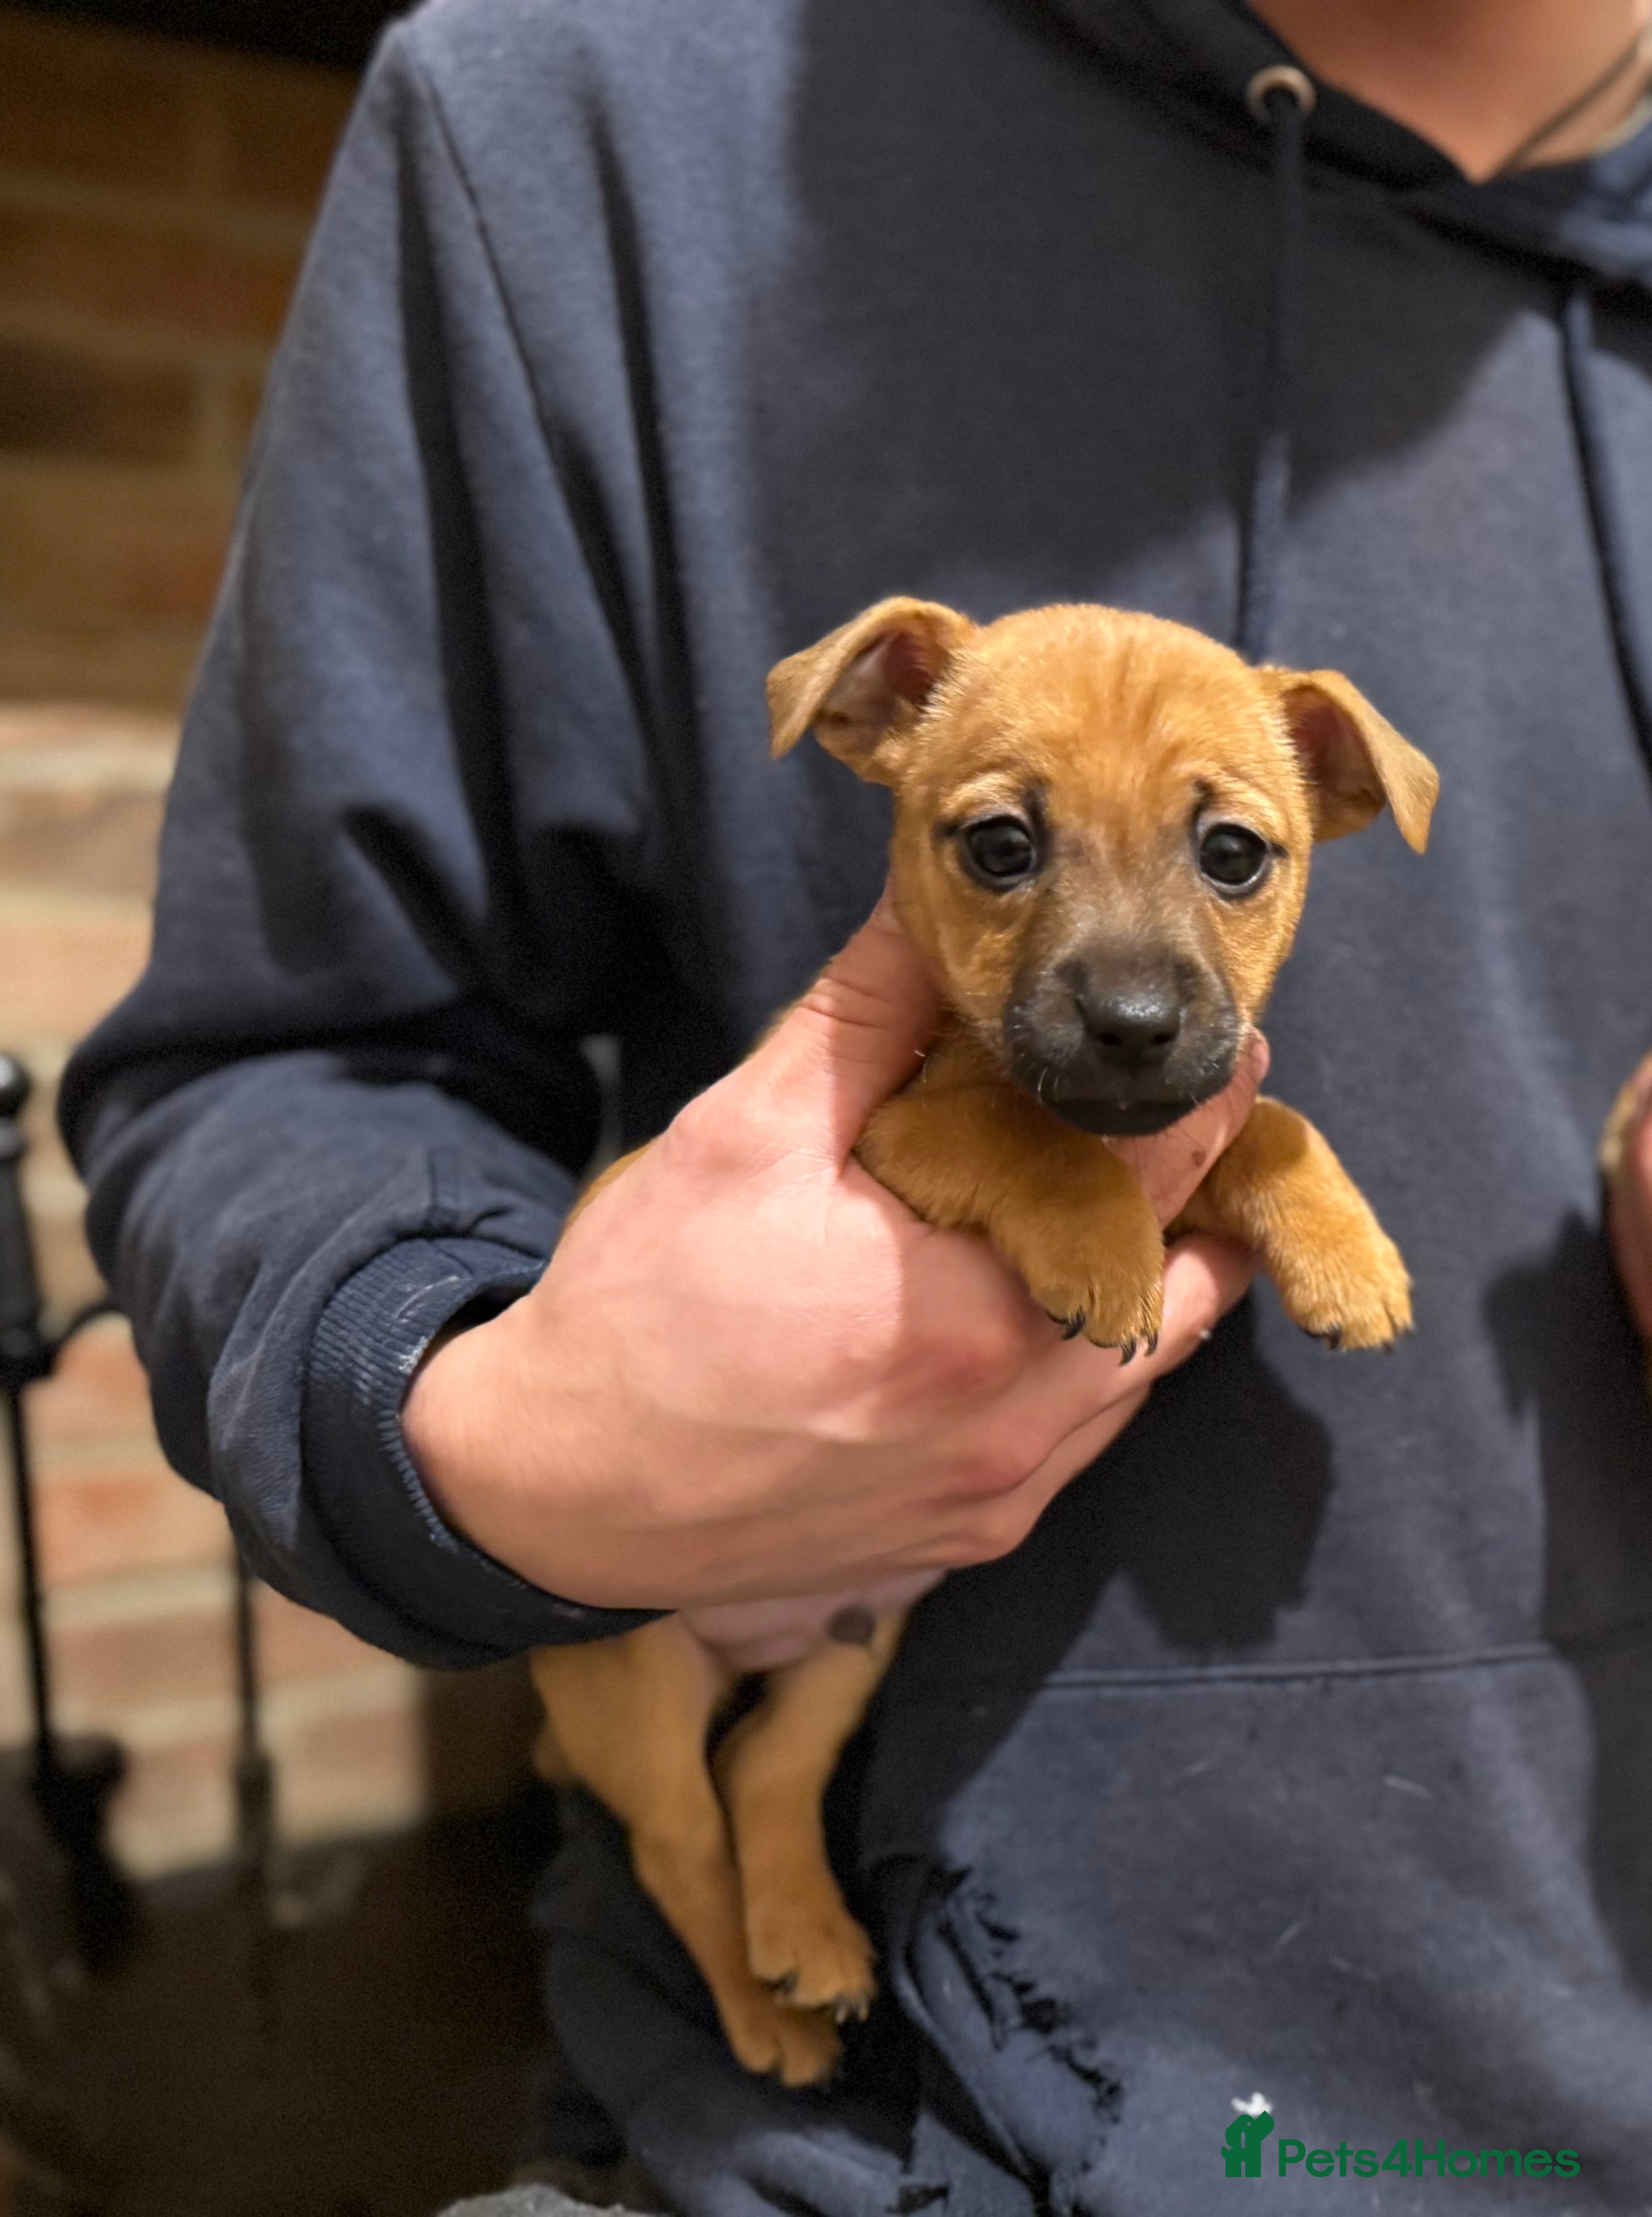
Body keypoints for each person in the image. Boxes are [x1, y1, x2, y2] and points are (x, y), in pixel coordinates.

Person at [60, 0, 1652, 2207]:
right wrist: (492, 1432)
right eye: (1004, 848)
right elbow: (279, 1053)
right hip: (879, 2137)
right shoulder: (577, 122)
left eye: (1228, 854)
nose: (1127, 967)